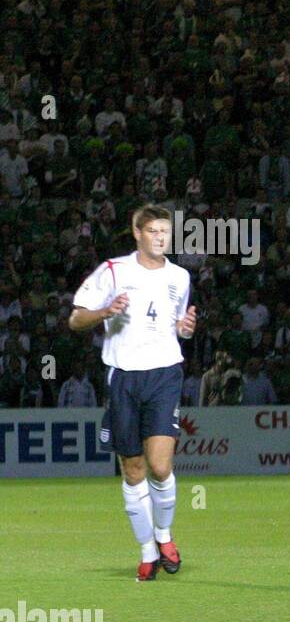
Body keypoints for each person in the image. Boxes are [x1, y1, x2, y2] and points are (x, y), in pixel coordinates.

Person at [69, 203, 197, 581]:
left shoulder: (180, 276)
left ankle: (164, 536)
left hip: (164, 374)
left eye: (165, 232)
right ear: (137, 233)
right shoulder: (114, 270)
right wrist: (105, 312)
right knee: (134, 469)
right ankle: (145, 552)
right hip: (123, 377)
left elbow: (177, 329)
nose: (160, 238)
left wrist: (186, 329)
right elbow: (76, 318)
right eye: (153, 231)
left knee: (160, 466)